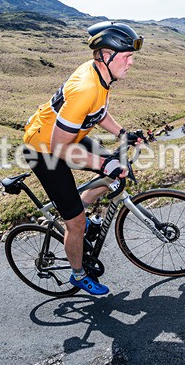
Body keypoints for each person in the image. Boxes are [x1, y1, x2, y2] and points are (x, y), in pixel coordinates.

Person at [22, 22, 144, 296]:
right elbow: (59, 148)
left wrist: (123, 133)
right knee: (75, 220)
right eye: (126, 56)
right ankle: (77, 274)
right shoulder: (86, 88)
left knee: (117, 170)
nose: (131, 62)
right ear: (106, 56)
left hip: (68, 137)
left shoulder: (102, 77)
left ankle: (81, 211)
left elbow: (97, 113)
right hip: (44, 149)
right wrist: (102, 163)